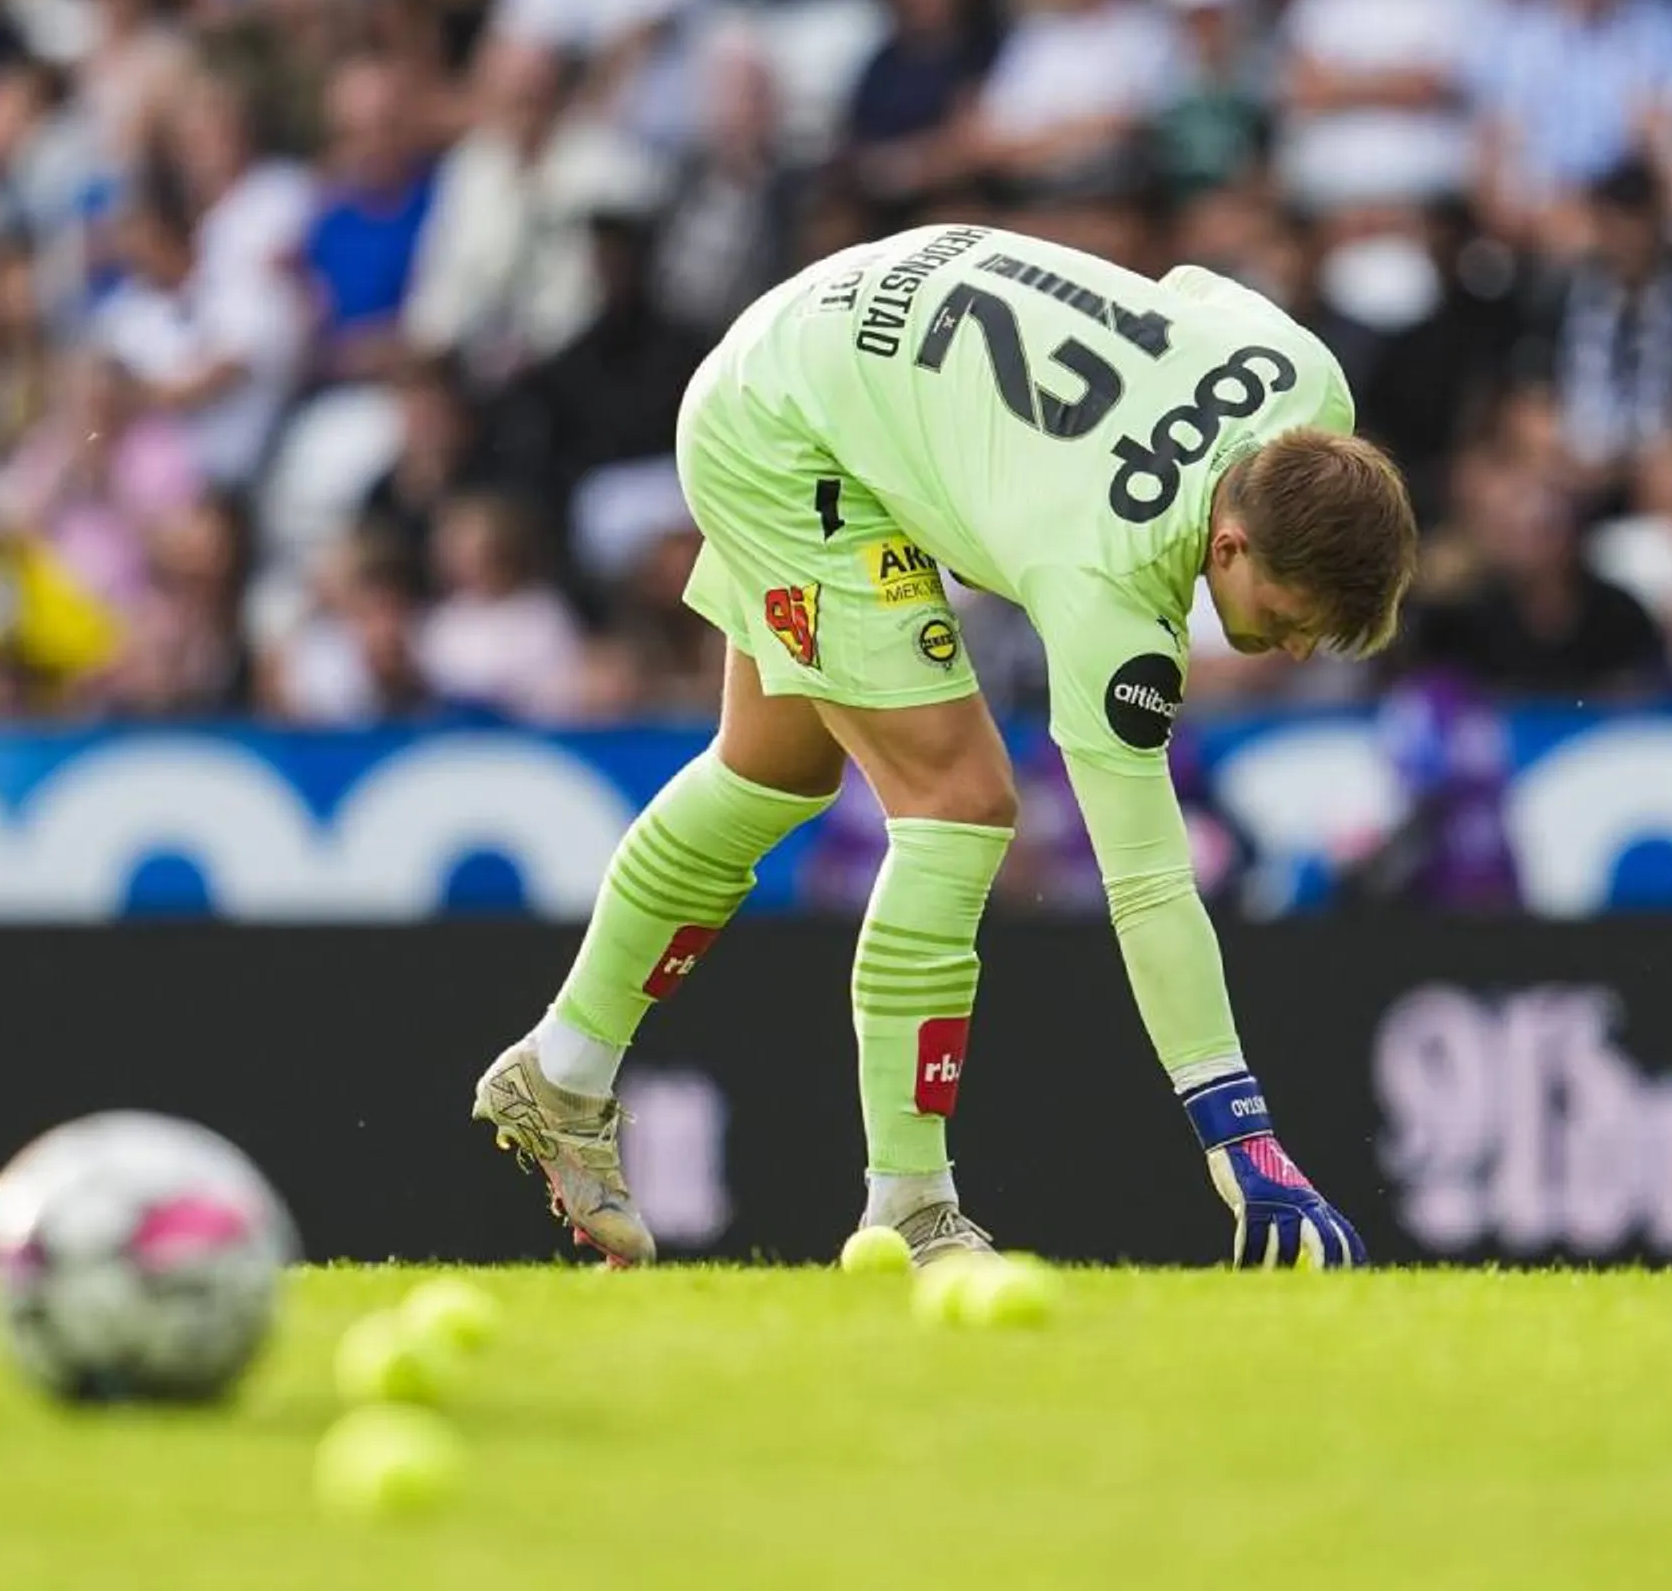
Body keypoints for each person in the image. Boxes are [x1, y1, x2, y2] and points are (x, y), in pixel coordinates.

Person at [474, 221, 1416, 1269]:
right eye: (1287, 618)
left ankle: (564, 1065)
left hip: (840, 326)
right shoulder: (1109, 590)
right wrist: (1240, 1138)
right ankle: (911, 1209)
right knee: (960, 800)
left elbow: (1188, 283)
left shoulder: (1302, 379)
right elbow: (1148, 884)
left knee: (775, 767)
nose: (1292, 650)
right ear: (1229, 544)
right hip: (792, 431)